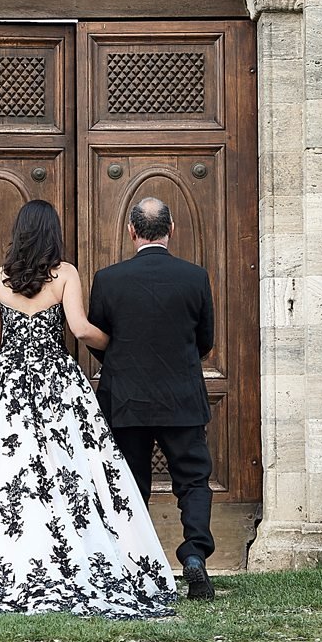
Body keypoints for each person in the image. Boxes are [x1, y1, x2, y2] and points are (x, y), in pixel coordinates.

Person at [0, 200, 177, 618]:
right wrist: (120, 346)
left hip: (7, 387)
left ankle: (6, 558)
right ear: (52, 234)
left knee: (6, 475)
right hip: (57, 383)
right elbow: (82, 329)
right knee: (72, 470)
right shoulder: (65, 273)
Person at [88, 196, 217, 600]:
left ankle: (136, 567)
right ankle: (194, 554)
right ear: (171, 229)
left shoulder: (108, 280)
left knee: (130, 484)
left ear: (131, 231)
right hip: (182, 398)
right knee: (193, 481)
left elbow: (99, 338)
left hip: (126, 400)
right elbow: (205, 341)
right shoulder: (195, 277)